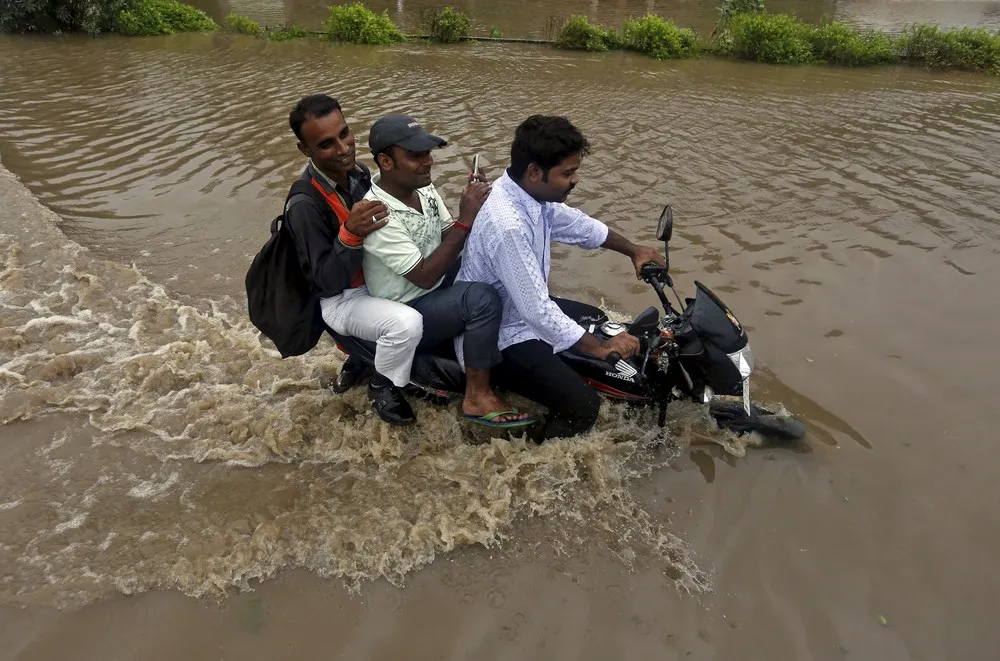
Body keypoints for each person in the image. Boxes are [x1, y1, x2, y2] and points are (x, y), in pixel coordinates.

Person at [456, 114, 667, 441]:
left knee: (595, 317)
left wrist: (633, 250)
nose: (575, 180)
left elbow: (578, 225)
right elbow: (537, 311)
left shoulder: (528, 195)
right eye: (567, 173)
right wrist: (600, 348)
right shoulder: (507, 224)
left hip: (516, 310)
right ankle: (534, 460)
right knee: (584, 406)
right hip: (499, 335)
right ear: (534, 172)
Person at [359, 114, 533, 429]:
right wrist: (466, 219)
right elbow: (424, 275)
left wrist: (477, 209)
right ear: (385, 161)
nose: (427, 161)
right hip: (406, 306)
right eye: (415, 155)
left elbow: (447, 234)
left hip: (433, 287)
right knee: (481, 299)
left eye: (427, 153)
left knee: (489, 267)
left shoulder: (423, 188)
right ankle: (477, 396)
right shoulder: (378, 213)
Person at [285, 94, 423, 426]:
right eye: (326, 144)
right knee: (406, 325)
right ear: (305, 150)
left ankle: (361, 360)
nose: (343, 148)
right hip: (342, 298)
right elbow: (326, 282)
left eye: (345, 134)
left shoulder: (359, 173)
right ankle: (382, 385)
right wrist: (349, 233)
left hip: (373, 278)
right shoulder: (304, 205)